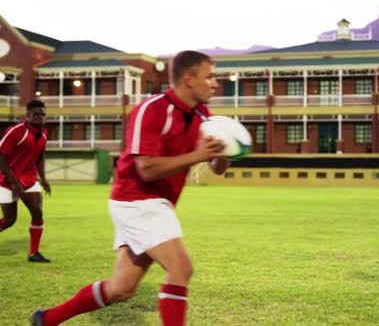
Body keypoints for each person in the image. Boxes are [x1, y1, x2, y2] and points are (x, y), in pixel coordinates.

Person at [31, 50, 230, 326]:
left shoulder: (203, 114)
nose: (216, 83)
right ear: (188, 79)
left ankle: (47, 319)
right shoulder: (153, 109)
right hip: (136, 199)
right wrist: (197, 155)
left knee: (121, 289)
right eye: (210, 77)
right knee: (181, 269)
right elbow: (145, 169)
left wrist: (227, 151)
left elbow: (217, 167)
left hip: (155, 203)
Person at [0, 99, 51, 263]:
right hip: (7, 181)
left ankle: (33, 253)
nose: (39, 117)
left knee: (38, 211)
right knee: (9, 220)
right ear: (27, 115)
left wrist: (43, 178)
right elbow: (1, 156)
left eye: (42, 114)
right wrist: (14, 182)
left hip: (29, 179)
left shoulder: (43, 133)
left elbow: (41, 155)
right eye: (35, 114)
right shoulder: (15, 131)